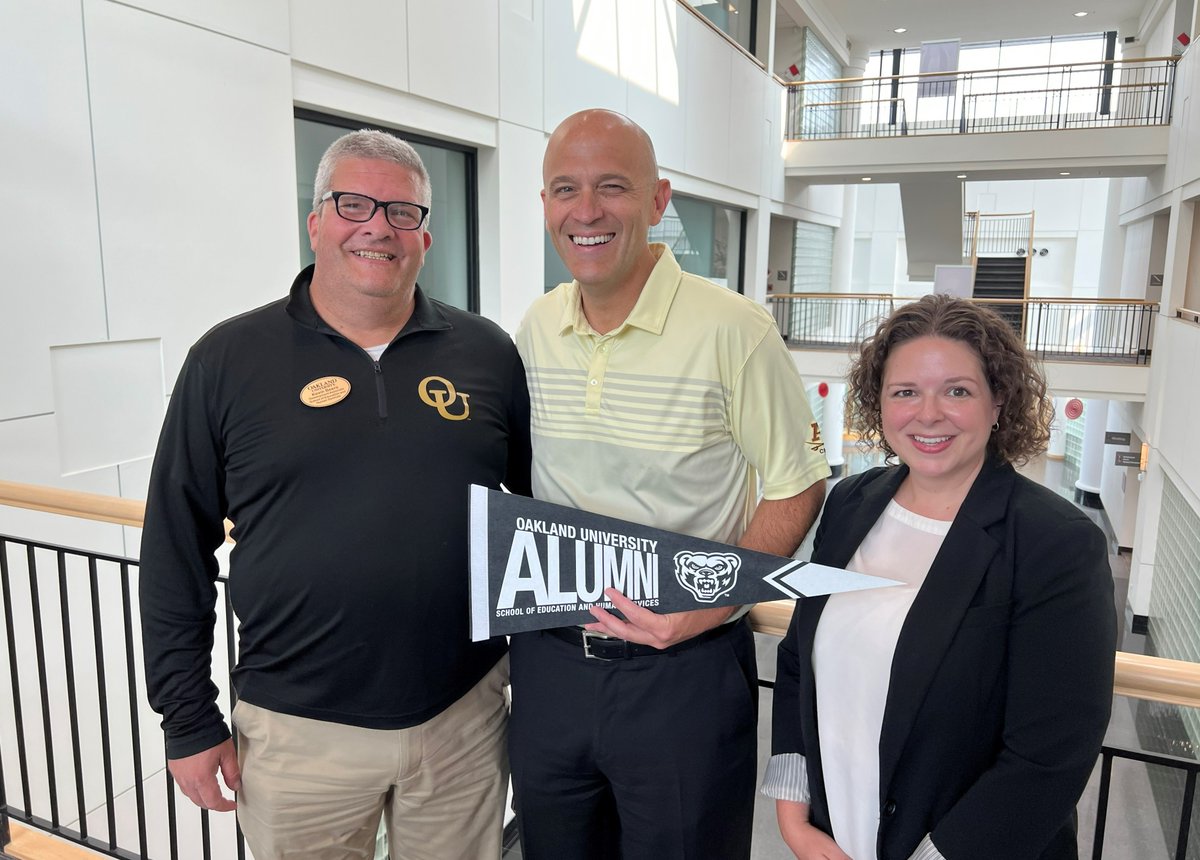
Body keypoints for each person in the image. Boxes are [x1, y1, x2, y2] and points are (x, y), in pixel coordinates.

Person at [139, 129, 531, 860]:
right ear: (316, 221)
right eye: (353, 204)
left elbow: (541, 515)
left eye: (401, 211)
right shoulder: (227, 359)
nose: (377, 225)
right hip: (295, 734)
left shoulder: (487, 354)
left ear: (426, 235)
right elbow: (173, 546)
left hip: (463, 722)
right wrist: (187, 719)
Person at [510, 108, 830, 859]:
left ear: (658, 202)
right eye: (565, 189)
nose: (585, 212)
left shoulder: (735, 329)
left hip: (680, 675)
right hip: (550, 664)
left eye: (612, 188)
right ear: (547, 204)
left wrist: (705, 609)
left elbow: (798, 484)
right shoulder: (536, 325)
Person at [764, 294, 1116, 860]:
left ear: (998, 401)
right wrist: (795, 815)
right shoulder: (851, 503)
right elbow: (796, 660)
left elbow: (1048, 755)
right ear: (878, 403)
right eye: (905, 392)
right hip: (837, 841)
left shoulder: (1057, 544)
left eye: (957, 390)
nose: (928, 414)